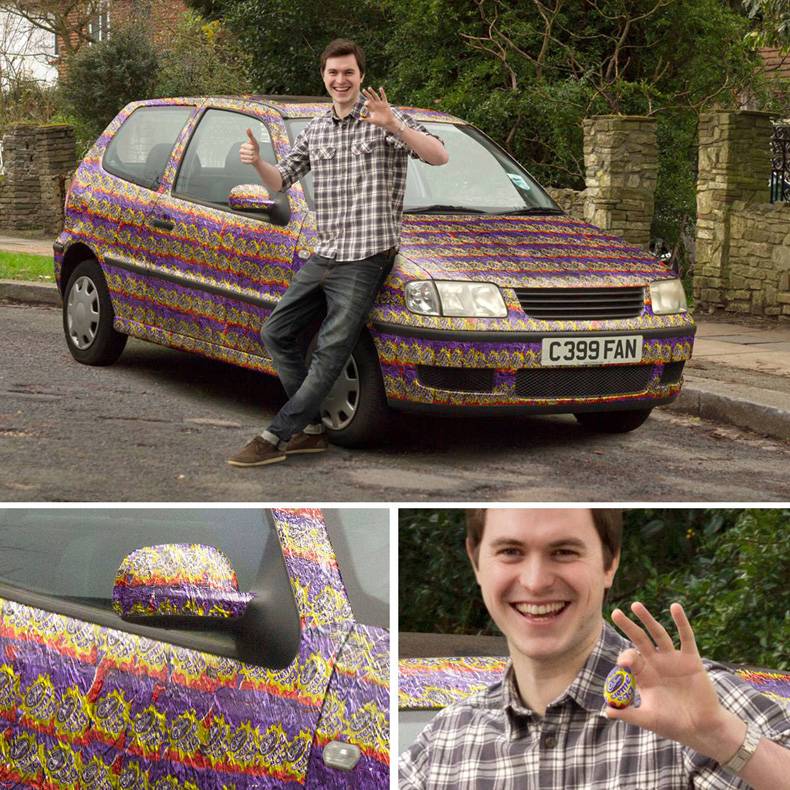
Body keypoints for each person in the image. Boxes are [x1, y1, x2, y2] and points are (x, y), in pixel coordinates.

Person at [399, 509, 790, 789]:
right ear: (476, 561)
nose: (535, 582)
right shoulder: (443, 746)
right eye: (511, 552)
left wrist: (721, 736)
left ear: (610, 562)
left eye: (564, 552)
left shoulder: (695, 704)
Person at [228, 38, 448, 467]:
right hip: (326, 251)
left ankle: (276, 435)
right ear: (324, 77)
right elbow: (279, 182)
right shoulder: (316, 129)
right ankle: (311, 429)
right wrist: (256, 162)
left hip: (367, 255)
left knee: (331, 350)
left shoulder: (384, 121)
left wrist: (395, 127)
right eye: (333, 73)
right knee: (276, 332)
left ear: (361, 76)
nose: (340, 80)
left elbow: (439, 156)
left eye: (348, 72)